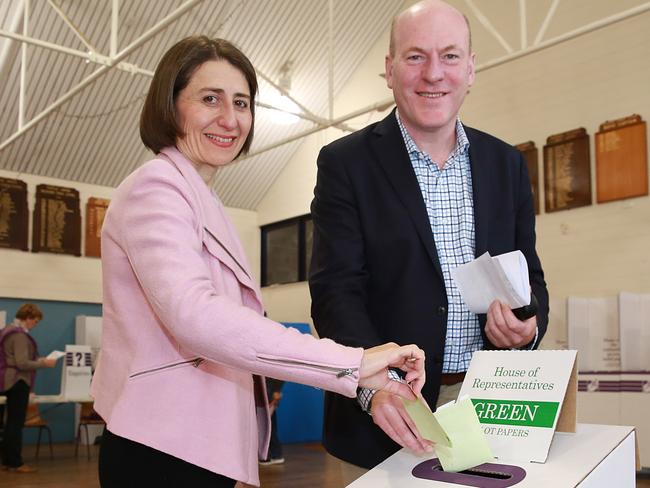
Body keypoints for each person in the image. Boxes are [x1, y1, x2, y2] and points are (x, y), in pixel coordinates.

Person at [90, 36, 427, 488]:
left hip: (194, 443)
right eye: (210, 99)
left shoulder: (201, 197)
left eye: (242, 103)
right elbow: (197, 317)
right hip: (161, 444)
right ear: (170, 106)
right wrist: (352, 361)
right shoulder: (157, 188)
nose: (230, 119)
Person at [309, 0, 549, 481]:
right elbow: (336, 292)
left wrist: (528, 328)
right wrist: (377, 385)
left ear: (472, 68)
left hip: (487, 407)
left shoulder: (507, 164)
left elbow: (532, 279)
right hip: (384, 412)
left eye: (451, 56)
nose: (434, 74)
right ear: (390, 69)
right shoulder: (345, 163)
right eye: (416, 56)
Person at [0, 304, 56, 473]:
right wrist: (44, 363)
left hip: (6, 381)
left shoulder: (7, 330)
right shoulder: (20, 336)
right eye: (36, 321)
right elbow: (22, 363)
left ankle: (8, 460)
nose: (35, 325)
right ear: (29, 318)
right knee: (15, 424)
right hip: (17, 382)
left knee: (8, 424)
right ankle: (15, 462)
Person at [258, 377, 284, 466]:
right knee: (269, 426)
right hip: (268, 396)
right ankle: (274, 454)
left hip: (268, 397)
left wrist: (275, 392)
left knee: (266, 427)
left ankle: (269, 455)